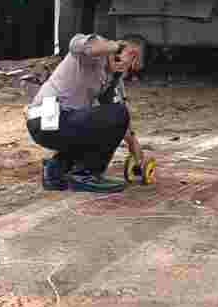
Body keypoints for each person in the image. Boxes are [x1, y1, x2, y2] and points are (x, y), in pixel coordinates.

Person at [26, 34, 145, 193]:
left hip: (60, 123)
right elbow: (85, 46)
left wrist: (133, 143)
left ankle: (55, 171)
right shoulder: (90, 56)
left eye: (135, 59)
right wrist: (116, 47)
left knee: (103, 121)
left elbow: (118, 118)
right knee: (112, 116)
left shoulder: (111, 79)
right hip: (46, 116)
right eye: (130, 54)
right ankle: (86, 174)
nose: (130, 61)